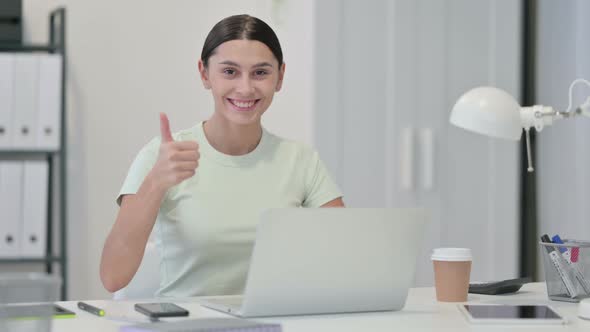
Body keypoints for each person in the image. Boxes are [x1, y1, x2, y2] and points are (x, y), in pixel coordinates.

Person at [99, 14, 344, 297]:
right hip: (186, 325)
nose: (245, 88)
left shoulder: (301, 160)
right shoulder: (163, 155)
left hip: (275, 321)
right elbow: (112, 276)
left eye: (260, 72)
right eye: (230, 72)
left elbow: (342, 259)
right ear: (204, 74)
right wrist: (155, 182)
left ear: (280, 77)